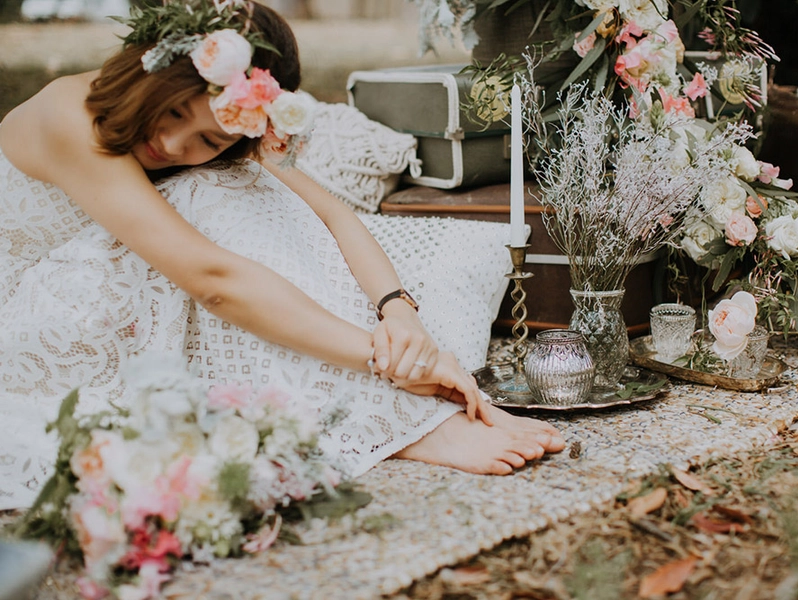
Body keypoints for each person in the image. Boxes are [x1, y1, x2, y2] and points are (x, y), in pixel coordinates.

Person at [0, 0, 564, 510]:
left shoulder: (225, 130)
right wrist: (384, 360)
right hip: (29, 321)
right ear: (154, 69)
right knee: (207, 193)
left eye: (210, 139)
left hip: (113, 302)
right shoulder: (67, 117)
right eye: (172, 113)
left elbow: (333, 215)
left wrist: (398, 313)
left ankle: (399, 410)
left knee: (248, 187)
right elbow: (212, 278)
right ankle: (403, 418)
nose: (174, 145)